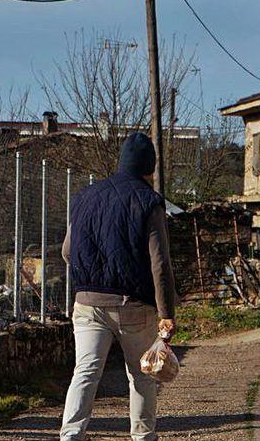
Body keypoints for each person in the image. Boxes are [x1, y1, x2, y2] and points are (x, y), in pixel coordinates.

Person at [60, 132, 178, 441]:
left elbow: (68, 251)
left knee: (85, 372)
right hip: (133, 306)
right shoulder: (149, 201)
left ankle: (70, 435)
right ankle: (142, 437)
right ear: (149, 168)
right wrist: (167, 312)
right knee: (142, 375)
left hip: (87, 303)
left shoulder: (84, 197)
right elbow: (159, 263)